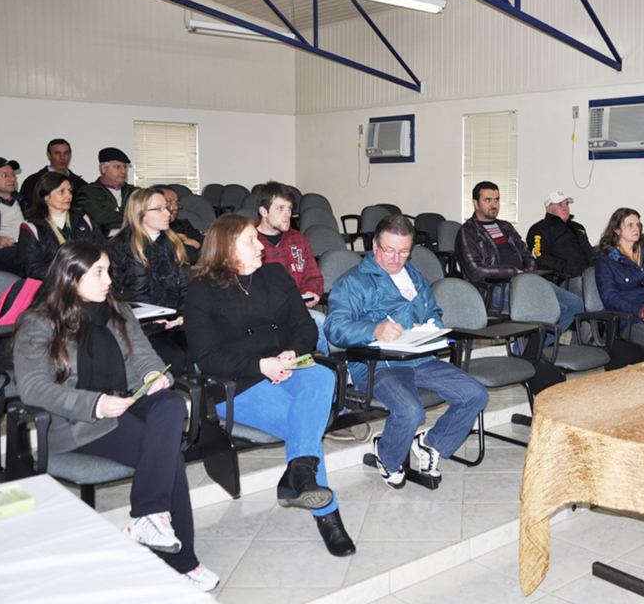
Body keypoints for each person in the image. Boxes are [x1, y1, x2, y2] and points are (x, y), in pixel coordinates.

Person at [11, 240, 218, 591]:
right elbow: (33, 388)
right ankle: (183, 562)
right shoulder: (39, 321)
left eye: (108, 270)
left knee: (169, 404)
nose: (109, 280)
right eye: (99, 273)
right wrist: (94, 404)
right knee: (167, 455)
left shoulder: (116, 308)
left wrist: (156, 375)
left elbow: (143, 357)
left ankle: (148, 516)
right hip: (77, 423)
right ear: (71, 277)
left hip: (124, 404)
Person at [185, 214, 354, 557]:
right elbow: (207, 356)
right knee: (303, 426)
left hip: (288, 366)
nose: (261, 244)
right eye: (250, 240)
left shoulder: (275, 274)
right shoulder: (202, 289)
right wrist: (260, 364)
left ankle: (298, 474)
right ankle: (326, 512)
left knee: (323, 375)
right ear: (226, 248)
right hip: (238, 383)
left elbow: (304, 325)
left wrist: (293, 351)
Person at [325, 214, 489, 489]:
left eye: (403, 252)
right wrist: (374, 329)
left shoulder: (414, 276)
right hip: (378, 364)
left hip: (419, 356)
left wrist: (431, 325)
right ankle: (387, 455)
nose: (396, 258)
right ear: (375, 246)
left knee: (475, 394)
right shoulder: (353, 282)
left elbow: (434, 311)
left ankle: (430, 444)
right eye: (389, 250)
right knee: (411, 411)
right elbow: (334, 328)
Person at [456, 181, 583, 333]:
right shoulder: (468, 231)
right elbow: (475, 271)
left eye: (496, 199)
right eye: (488, 200)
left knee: (574, 304)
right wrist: (513, 272)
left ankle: (535, 348)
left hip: (524, 281)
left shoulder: (505, 227)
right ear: (475, 203)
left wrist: (526, 274)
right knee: (548, 310)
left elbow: (527, 255)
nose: (494, 204)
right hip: (495, 288)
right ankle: (526, 350)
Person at [108, 188, 188, 379]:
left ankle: (202, 405)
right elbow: (111, 296)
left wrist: (183, 314)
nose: (168, 213)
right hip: (137, 326)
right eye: (159, 209)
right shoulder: (118, 247)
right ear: (140, 213)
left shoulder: (173, 243)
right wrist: (146, 320)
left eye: (167, 208)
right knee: (173, 358)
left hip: (172, 321)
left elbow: (185, 287)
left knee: (201, 348)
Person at [255, 181, 327, 353]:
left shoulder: (298, 239)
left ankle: (329, 370)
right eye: (280, 208)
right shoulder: (250, 240)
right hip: (263, 315)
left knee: (321, 321)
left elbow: (314, 277)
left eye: (289, 208)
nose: (287, 214)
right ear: (263, 211)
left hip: (296, 311)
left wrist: (311, 293)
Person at [594, 208, 644, 357]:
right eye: (630, 225)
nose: (636, 228)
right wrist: (642, 311)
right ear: (617, 230)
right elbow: (609, 297)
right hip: (628, 318)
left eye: (638, 225)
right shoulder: (605, 257)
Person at [17, 171, 104, 279]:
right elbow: (32, 268)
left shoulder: (83, 219)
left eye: (70, 191)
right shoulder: (31, 227)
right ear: (46, 196)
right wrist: (68, 275)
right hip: (51, 286)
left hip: (87, 280)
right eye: (61, 191)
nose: (69, 196)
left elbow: (102, 249)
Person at [526, 190, 594, 298]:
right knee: (586, 288)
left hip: (590, 275)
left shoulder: (578, 227)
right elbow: (539, 256)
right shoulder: (540, 228)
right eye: (560, 205)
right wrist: (567, 268)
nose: (565, 208)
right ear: (548, 209)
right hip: (566, 279)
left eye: (566, 204)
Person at [78, 147, 136, 237]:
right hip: (104, 243)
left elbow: (145, 215)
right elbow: (100, 217)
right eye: (117, 167)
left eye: (125, 167)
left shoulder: (134, 192)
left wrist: (115, 212)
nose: (123, 171)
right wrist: (132, 217)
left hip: (133, 240)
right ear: (103, 168)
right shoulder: (89, 191)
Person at [20, 138, 87, 210]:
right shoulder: (33, 182)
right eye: (57, 153)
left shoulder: (80, 185)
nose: (62, 157)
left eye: (66, 153)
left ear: (70, 155)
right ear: (49, 155)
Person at [0, 157, 25, 274]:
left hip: (25, 245)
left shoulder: (24, 202)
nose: (12, 178)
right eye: (5, 175)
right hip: (3, 251)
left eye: (13, 175)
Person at [154, 186, 203, 252]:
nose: (176, 207)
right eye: (170, 202)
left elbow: (203, 242)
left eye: (176, 203)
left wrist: (197, 244)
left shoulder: (184, 225)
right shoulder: (152, 230)